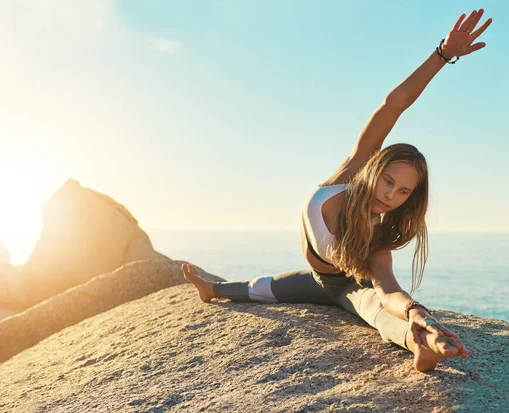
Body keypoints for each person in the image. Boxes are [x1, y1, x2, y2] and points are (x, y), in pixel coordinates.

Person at [182, 9, 492, 372]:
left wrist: (416, 311)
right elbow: (394, 105)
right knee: (258, 288)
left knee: (376, 312)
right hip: (314, 280)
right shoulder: (353, 169)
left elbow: (388, 289)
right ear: (374, 169)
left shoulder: (377, 238)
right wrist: (441, 55)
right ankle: (210, 290)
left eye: (404, 192)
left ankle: (423, 344)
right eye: (388, 181)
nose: (391, 195)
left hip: (348, 287)